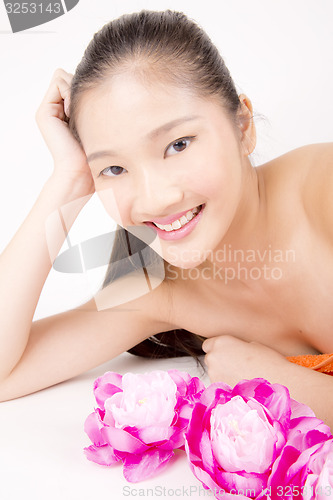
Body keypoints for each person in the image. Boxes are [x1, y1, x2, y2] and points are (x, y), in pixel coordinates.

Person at [0, 10, 332, 428]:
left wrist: (280, 384)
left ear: (243, 126)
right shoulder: (158, 291)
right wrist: (67, 181)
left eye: (178, 144)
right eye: (114, 170)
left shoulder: (325, 194)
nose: (154, 199)